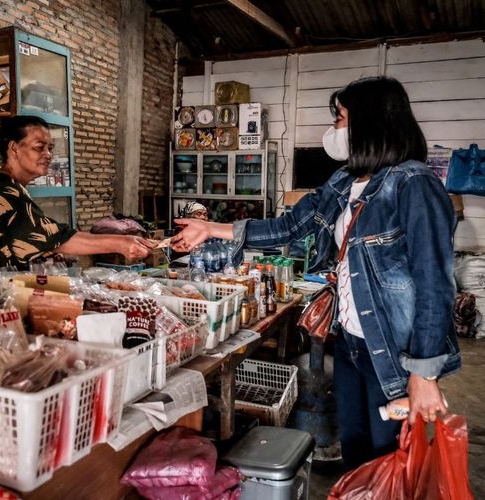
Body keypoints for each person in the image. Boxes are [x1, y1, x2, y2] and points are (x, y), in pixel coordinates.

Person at [171, 76, 460, 469]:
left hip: (392, 352)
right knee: (356, 450)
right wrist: (211, 229)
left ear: (370, 122)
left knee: (392, 459)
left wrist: (424, 374)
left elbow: (435, 283)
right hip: (351, 344)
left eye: (340, 118)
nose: (334, 130)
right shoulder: (345, 182)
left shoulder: (413, 184)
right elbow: (289, 226)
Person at [0, 115, 154, 285]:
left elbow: (39, 240)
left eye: (50, 148)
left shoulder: (5, 184)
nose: (48, 155)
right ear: (14, 148)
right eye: (39, 147)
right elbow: (54, 238)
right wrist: (120, 243)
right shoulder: (3, 190)